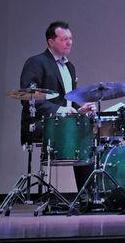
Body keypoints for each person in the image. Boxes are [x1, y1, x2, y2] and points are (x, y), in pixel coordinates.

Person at [20, 21, 95, 193]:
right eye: (64, 39)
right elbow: (30, 99)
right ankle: (86, 195)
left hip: (64, 122)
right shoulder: (36, 63)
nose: (69, 42)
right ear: (50, 41)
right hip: (41, 123)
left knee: (91, 130)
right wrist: (60, 110)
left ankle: (89, 196)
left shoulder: (70, 67)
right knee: (82, 134)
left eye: (70, 39)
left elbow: (67, 99)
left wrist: (79, 109)